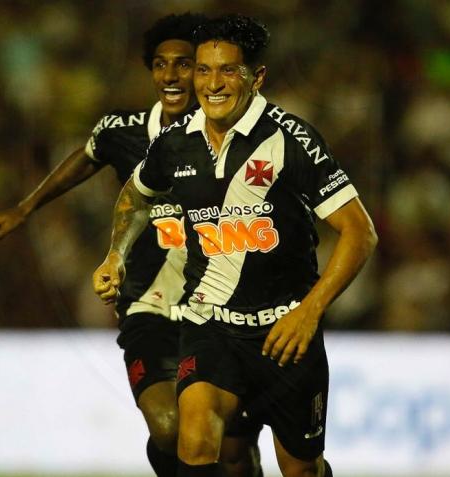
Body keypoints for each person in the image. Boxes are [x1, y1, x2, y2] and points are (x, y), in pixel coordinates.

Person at [0, 13, 262, 477]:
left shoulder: (229, 132)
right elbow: (87, 157)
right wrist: (24, 209)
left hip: (218, 305)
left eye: (184, 65)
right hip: (147, 303)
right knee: (169, 427)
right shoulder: (122, 130)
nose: (171, 76)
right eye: (161, 65)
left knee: (232, 449)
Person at [93, 13, 378, 477]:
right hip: (211, 325)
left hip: (285, 335)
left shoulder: (291, 140)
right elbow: (136, 193)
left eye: (228, 70)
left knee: (301, 469)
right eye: (203, 70)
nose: (212, 83)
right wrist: (115, 254)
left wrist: (309, 311)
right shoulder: (175, 143)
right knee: (195, 438)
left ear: (256, 77)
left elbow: (360, 231)